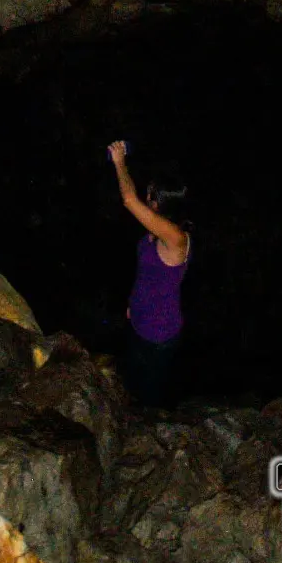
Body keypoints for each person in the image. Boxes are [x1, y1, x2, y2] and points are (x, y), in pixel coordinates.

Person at [108, 138, 190, 407]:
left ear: (161, 203)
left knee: (148, 399)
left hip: (159, 334)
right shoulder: (157, 232)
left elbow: (129, 199)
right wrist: (133, 304)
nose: (146, 196)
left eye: (151, 194)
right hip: (139, 322)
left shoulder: (176, 238)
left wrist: (120, 162)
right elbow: (148, 274)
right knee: (130, 385)